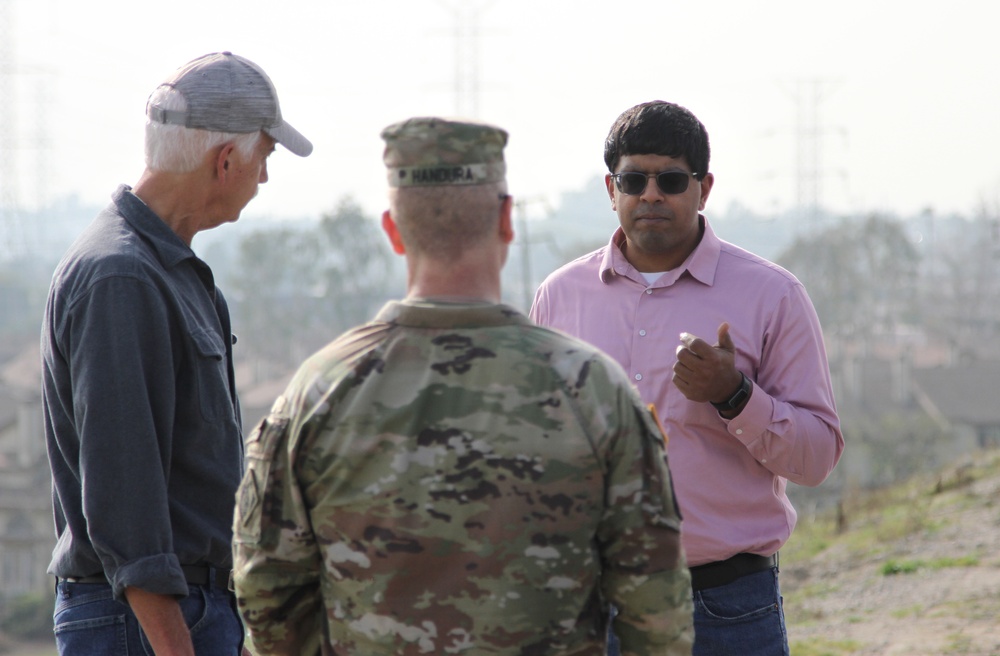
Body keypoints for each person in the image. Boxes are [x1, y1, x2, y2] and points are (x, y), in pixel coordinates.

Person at [232, 116, 693, 655]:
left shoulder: (317, 394)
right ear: (505, 220)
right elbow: (656, 612)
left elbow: (266, 594)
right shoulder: (595, 393)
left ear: (393, 230)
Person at [530, 101, 845, 656]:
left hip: (724, 608)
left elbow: (817, 458)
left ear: (704, 188)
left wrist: (735, 396)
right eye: (633, 179)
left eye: (671, 179)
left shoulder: (771, 296)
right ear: (611, 188)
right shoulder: (559, 297)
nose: (651, 194)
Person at [41, 51, 312, 655]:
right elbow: (124, 500)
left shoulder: (170, 271)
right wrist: (174, 643)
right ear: (225, 161)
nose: (263, 178)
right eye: (263, 158)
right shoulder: (121, 278)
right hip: (146, 623)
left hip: (174, 613)